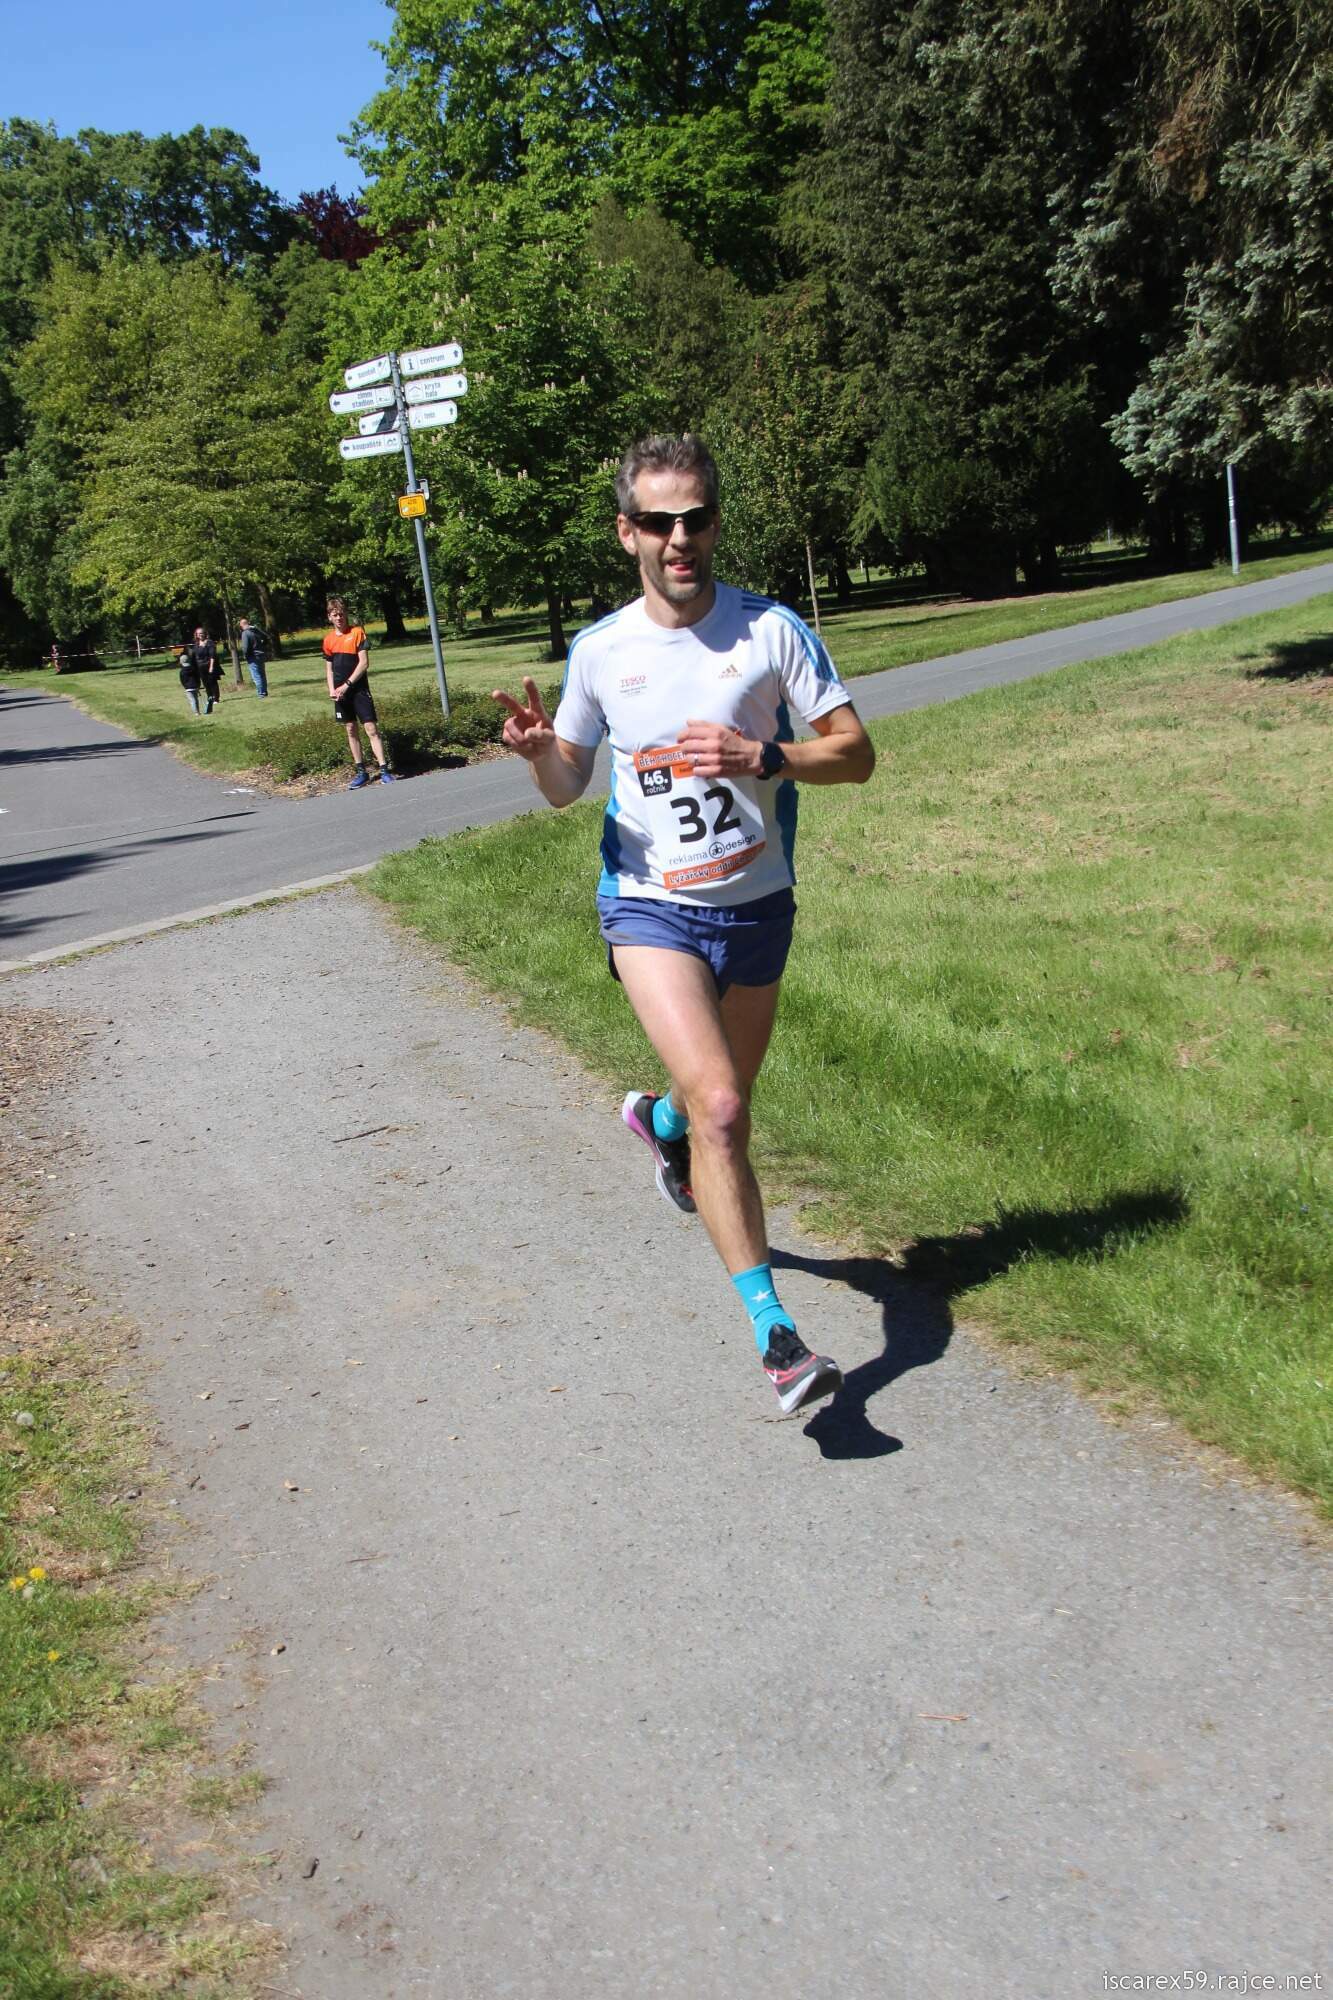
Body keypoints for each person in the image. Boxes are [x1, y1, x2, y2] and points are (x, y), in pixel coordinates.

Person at [493, 433, 876, 1414]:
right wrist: (540, 754)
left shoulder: (771, 632)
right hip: (647, 904)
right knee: (726, 1109)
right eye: (657, 522)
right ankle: (777, 1337)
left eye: (695, 518)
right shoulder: (600, 653)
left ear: (713, 523)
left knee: (707, 1104)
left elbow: (856, 753)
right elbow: (567, 785)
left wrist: (767, 756)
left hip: (757, 905)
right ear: (626, 533)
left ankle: (657, 1125)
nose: (679, 538)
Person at [322, 598, 395, 787]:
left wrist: (347, 685)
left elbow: (364, 663)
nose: (339, 618)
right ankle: (361, 772)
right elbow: (329, 669)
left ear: (346, 614)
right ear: (330, 617)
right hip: (340, 693)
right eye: (335, 615)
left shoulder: (357, 633)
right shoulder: (328, 640)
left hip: (359, 690)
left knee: (371, 728)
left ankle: (384, 770)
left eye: (341, 614)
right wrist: (332, 689)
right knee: (350, 729)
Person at [188, 627, 222, 713]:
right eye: (198, 633)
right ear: (196, 635)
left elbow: (212, 655)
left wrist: (211, 666)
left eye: (201, 633)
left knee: (212, 682)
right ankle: (209, 697)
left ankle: (216, 698)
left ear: (205, 634)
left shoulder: (209, 643)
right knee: (205, 683)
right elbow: (194, 656)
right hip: (200, 667)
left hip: (209, 664)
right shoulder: (196, 644)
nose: (200, 635)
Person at [238, 616, 269, 697]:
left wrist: (245, 655)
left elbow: (245, 647)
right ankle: (264, 691)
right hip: (261, 654)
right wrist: (262, 646)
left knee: (256, 676)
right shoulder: (255, 631)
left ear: (241, 625)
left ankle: (261, 693)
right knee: (262, 674)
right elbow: (266, 637)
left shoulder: (245, 633)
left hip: (253, 657)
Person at [178, 641, 204, 716]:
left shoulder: (182, 672)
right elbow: (197, 677)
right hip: (195, 686)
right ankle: (198, 711)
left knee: (192, 700)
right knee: (196, 699)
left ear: (181, 662)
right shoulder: (193, 669)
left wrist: (185, 686)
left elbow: (182, 680)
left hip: (188, 688)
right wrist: (198, 685)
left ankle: (196, 712)